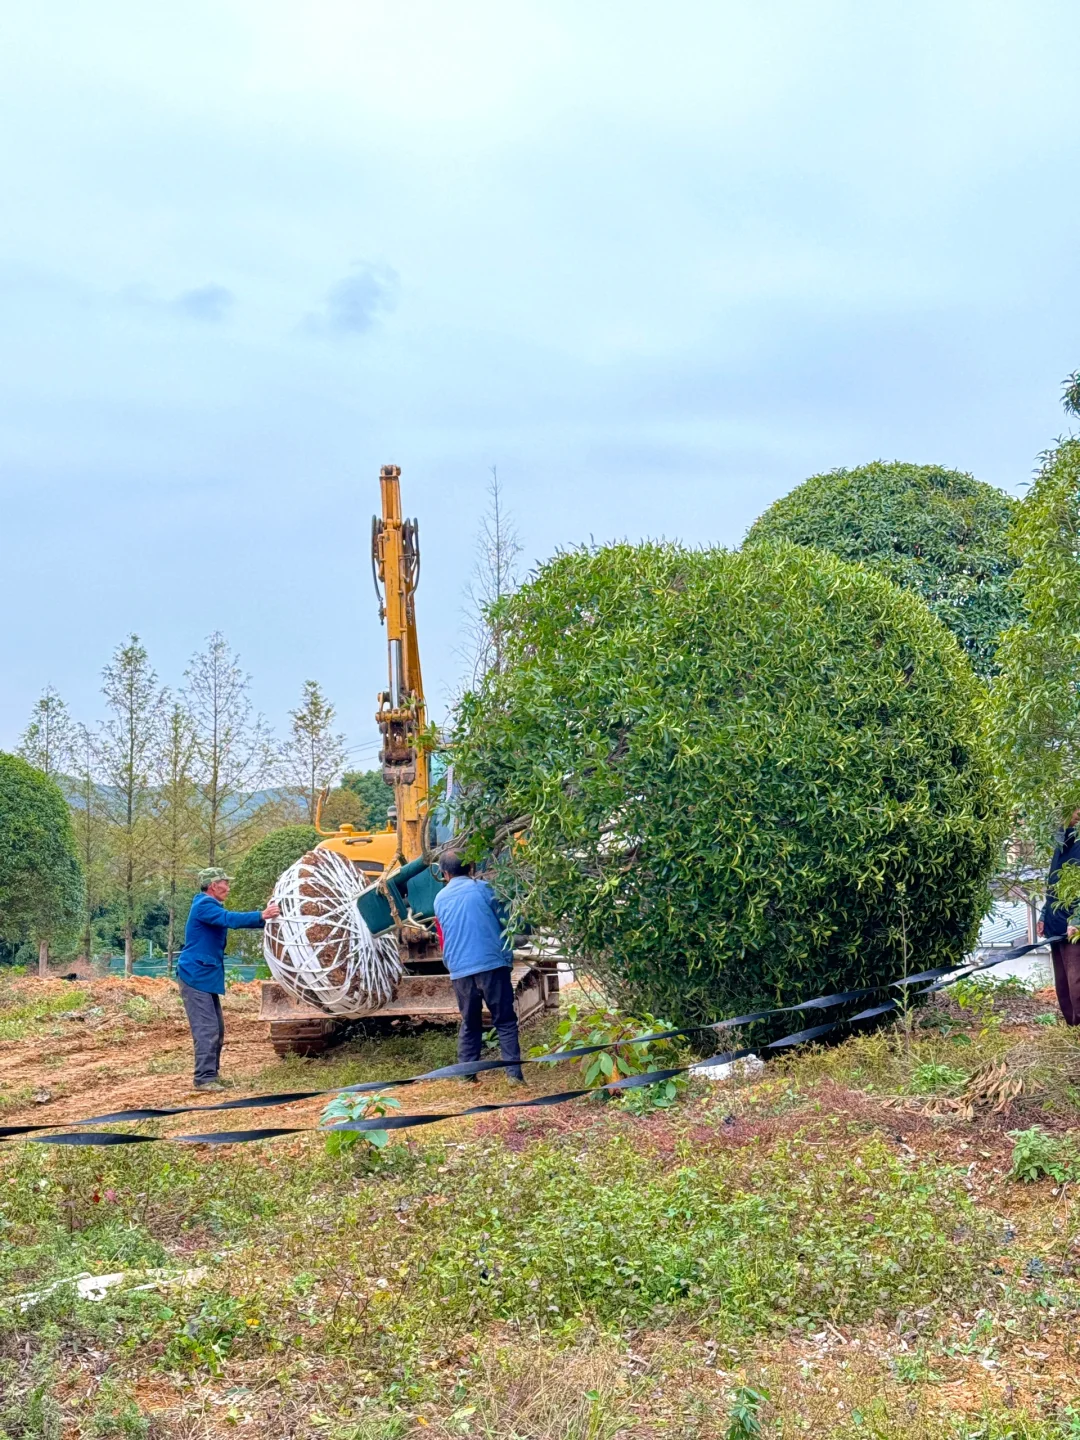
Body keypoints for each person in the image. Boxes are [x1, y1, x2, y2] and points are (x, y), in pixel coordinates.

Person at [176, 868, 280, 1090]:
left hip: (204, 975)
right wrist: (261, 915)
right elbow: (229, 919)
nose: (228, 888)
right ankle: (204, 1079)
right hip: (195, 975)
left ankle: (212, 1075)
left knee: (217, 1028)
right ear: (213, 885)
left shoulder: (209, 905)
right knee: (207, 1029)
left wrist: (267, 919)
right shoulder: (204, 905)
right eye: (225, 883)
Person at [433, 852, 524, 1084]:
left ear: (444, 873)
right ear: (471, 867)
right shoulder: (485, 889)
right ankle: (513, 1076)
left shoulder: (439, 899)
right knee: (504, 1021)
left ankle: (467, 1076)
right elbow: (508, 922)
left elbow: (442, 935)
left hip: (460, 970)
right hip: (492, 964)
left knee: (470, 1022)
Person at [1038, 810, 1080, 1026]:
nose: (1074, 814)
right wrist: (1044, 915)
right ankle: (1074, 1031)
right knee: (1064, 989)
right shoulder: (1060, 842)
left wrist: (1077, 919)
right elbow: (1053, 884)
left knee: (1077, 987)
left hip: (1075, 931)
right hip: (1057, 926)